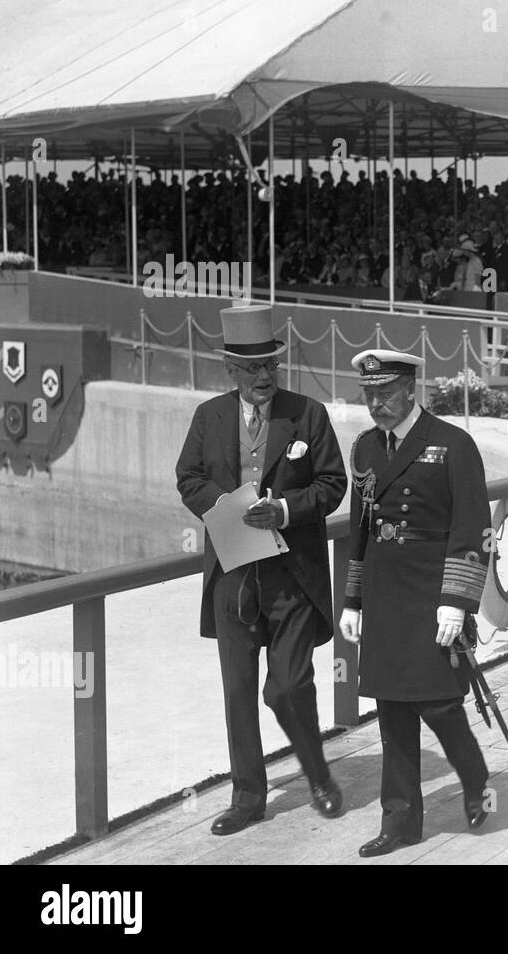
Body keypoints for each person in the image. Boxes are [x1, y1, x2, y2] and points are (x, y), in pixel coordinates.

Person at [175, 304, 347, 835]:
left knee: (290, 685)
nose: (265, 377)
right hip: (233, 576)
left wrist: (286, 510)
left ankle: (317, 773)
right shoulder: (210, 416)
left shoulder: (308, 415)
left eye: (272, 366)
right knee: (237, 688)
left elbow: (333, 484)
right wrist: (227, 506)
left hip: (292, 576)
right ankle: (248, 796)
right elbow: (188, 478)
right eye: (253, 369)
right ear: (231, 370)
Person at [338, 349, 492, 858]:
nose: (376, 403)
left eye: (385, 393)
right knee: (392, 712)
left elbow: (473, 528)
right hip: (384, 595)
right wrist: (353, 599)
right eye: (369, 395)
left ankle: (475, 780)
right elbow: (360, 528)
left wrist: (457, 601)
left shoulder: (452, 445)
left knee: (440, 704)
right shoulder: (365, 448)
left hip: (432, 596)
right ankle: (400, 821)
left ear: (409, 389)